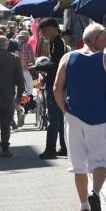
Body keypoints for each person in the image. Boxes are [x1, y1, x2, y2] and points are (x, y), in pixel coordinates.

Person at [53, 24, 106, 211]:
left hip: (74, 117)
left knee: (78, 164)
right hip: (99, 117)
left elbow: (57, 87)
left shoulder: (67, 58)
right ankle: (96, 193)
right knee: (101, 160)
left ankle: (84, 206)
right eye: (104, 37)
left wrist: (64, 110)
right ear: (94, 39)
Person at [37, 17, 67, 159]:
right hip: (59, 83)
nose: (43, 34)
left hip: (55, 84)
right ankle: (64, 146)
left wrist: (38, 66)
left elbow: (55, 64)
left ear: (51, 29)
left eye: (44, 31)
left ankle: (50, 149)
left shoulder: (57, 43)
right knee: (59, 118)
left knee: (53, 117)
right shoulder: (57, 42)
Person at [16, 31, 35, 127]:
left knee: (17, 91)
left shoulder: (15, 45)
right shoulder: (28, 46)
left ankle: (19, 109)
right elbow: (32, 58)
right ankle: (25, 108)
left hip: (16, 72)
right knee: (29, 90)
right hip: (26, 71)